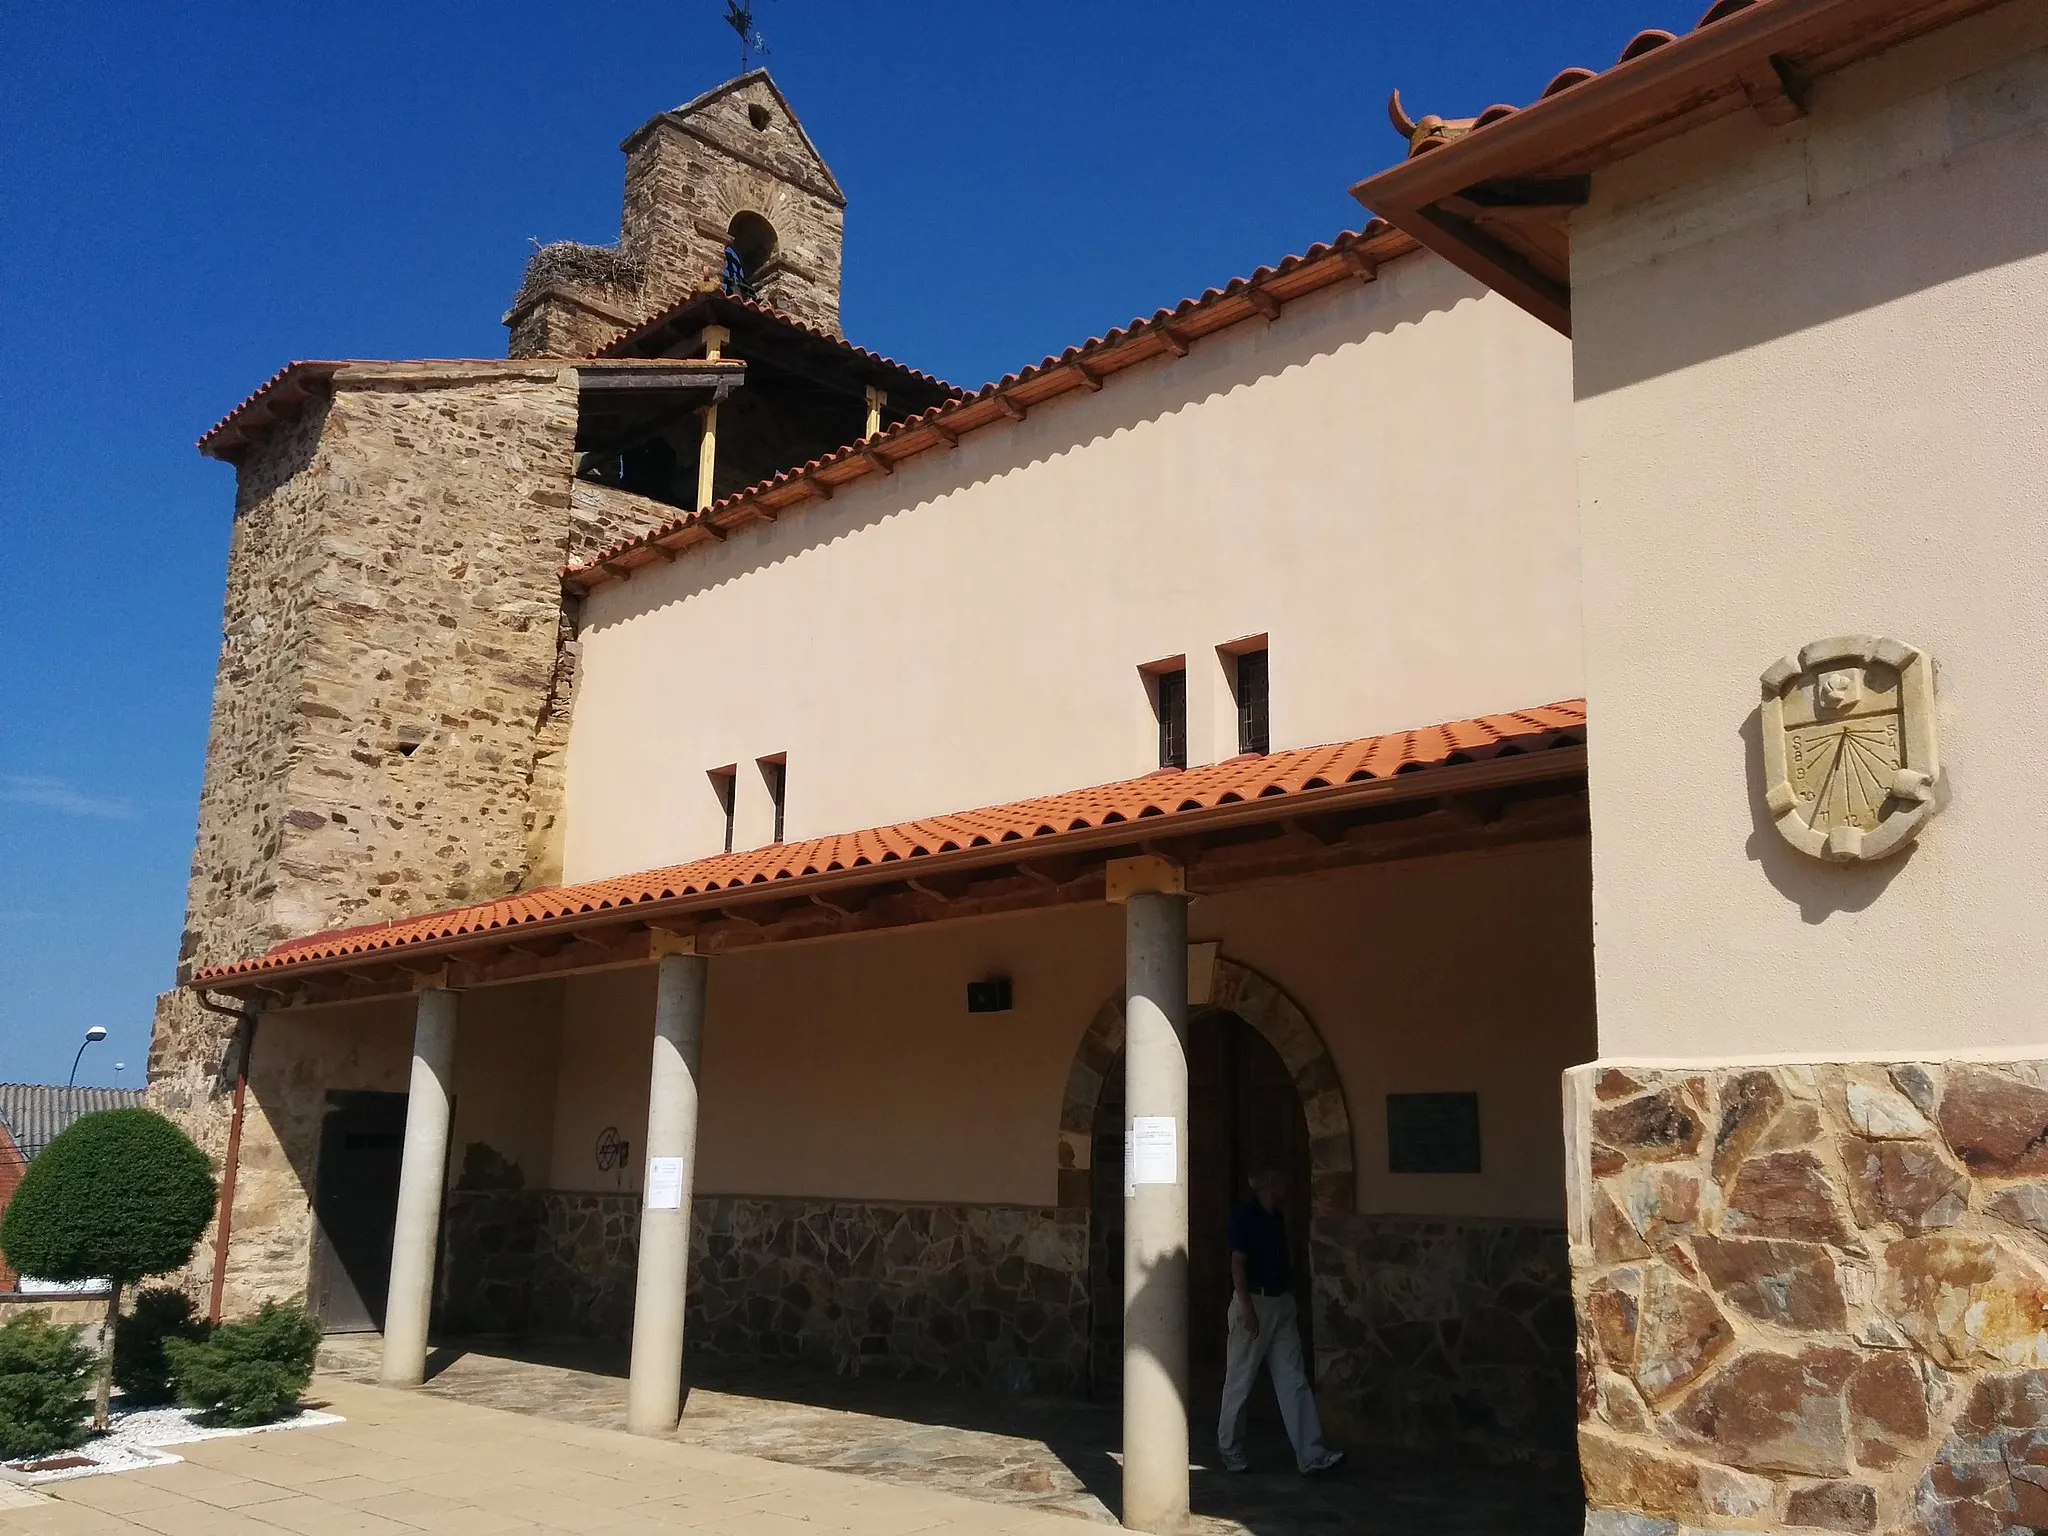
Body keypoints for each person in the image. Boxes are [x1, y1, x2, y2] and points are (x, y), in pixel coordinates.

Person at [1217, 1168, 1345, 1475]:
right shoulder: (1246, 1218)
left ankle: (1311, 1454)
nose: (1285, 1189)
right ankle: (1229, 1446)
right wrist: (1247, 1309)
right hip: (1256, 1303)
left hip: (1280, 1302)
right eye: (1280, 1184)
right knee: (1241, 1379)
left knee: (1294, 1379)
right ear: (1270, 1186)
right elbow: (1238, 1265)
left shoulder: (1276, 1218)